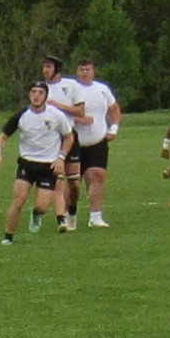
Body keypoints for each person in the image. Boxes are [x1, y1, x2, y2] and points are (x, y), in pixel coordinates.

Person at [0, 81, 73, 245]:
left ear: (46, 96)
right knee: (18, 200)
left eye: (40, 92)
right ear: (29, 95)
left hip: (48, 166)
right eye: (33, 92)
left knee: (42, 206)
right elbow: (3, 136)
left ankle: (37, 214)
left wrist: (61, 158)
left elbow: (69, 137)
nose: (36, 95)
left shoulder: (56, 115)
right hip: (26, 164)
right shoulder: (22, 115)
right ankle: (8, 237)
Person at [73, 58, 121, 228]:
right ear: (77, 72)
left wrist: (114, 128)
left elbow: (114, 108)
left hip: (97, 141)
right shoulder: (71, 90)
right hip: (74, 142)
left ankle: (96, 217)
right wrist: (79, 119)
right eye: (81, 69)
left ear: (93, 71)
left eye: (88, 69)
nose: (85, 72)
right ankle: (68, 215)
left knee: (97, 176)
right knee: (73, 182)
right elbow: (59, 113)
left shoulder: (102, 89)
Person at [42, 55, 85, 232]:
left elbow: (80, 111)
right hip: (51, 138)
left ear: (57, 69)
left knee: (74, 184)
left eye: (48, 67)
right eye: (43, 67)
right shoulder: (40, 88)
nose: (45, 70)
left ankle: (72, 212)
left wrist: (58, 106)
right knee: (58, 181)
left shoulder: (71, 85)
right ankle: (62, 219)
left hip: (69, 136)